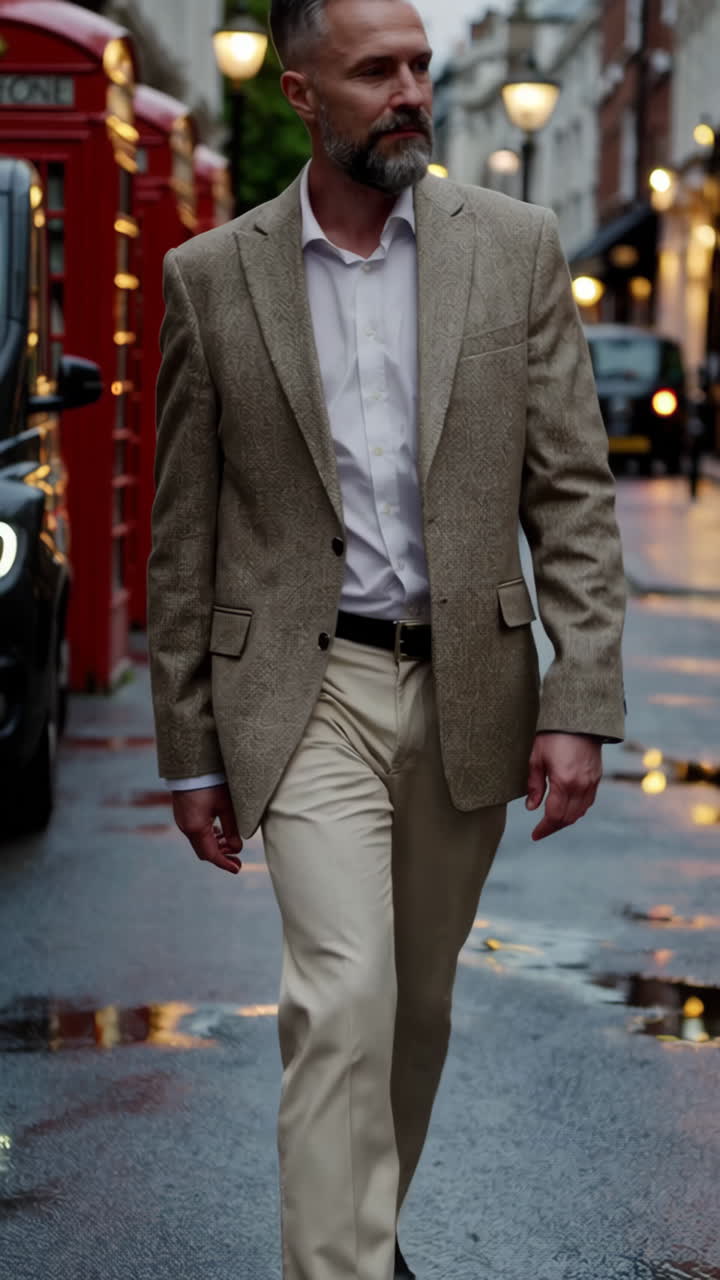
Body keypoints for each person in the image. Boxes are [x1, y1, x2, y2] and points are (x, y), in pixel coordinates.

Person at [147, 0, 626, 1275]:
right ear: (303, 95)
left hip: (471, 678)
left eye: (419, 65)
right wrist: (190, 748)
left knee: (413, 1008)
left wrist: (580, 698)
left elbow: (571, 490)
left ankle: (366, 1229)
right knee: (339, 996)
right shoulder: (213, 275)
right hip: (304, 692)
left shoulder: (513, 248)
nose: (410, 89)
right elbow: (181, 533)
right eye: (376, 71)